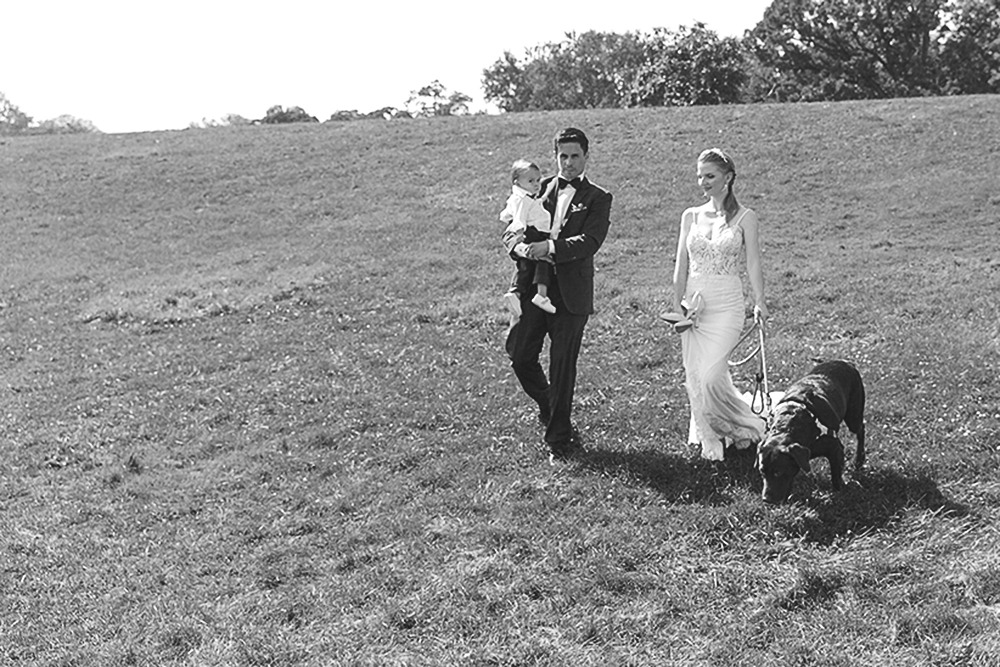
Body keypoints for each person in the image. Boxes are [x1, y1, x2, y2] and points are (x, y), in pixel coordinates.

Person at [503, 128, 613, 459]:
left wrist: (550, 246)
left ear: (586, 156)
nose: (568, 162)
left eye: (575, 156)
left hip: (571, 294)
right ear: (555, 156)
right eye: (562, 156)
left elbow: (591, 242)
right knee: (520, 356)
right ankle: (552, 405)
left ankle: (559, 439)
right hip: (532, 287)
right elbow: (512, 227)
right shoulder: (536, 186)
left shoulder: (598, 197)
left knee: (562, 364)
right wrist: (519, 248)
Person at [671, 147, 768, 461]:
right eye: (699, 176)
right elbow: (681, 266)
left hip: (727, 306)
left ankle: (742, 426)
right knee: (697, 375)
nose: (703, 182)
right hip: (694, 308)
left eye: (709, 176)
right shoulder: (690, 216)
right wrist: (677, 305)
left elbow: (753, 263)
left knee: (712, 374)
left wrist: (760, 301)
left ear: (728, 178)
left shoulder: (746, 217)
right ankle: (711, 438)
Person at [500, 159, 558, 320]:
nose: (536, 184)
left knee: (525, 267)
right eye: (531, 181)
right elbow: (519, 219)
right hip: (533, 233)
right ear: (517, 182)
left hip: (529, 232)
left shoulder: (518, 197)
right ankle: (541, 295)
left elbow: (506, 214)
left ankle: (516, 292)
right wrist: (519, 234)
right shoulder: (525, 199)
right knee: (544, 261)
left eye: (538, 180)